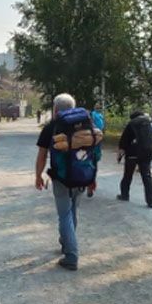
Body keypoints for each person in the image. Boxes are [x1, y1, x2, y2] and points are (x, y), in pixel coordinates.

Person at [35, 93, 98, 270]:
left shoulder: (51, 127)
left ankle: (71, 255)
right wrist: (93, 178)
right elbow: (94, 153)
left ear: (55, 109)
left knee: (64, 214)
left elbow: (42, 155)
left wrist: (38, 175)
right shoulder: (86, 124)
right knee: (73, 212)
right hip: (82, 176)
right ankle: (66, 243)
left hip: (61, 178)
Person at [116, 111, 152, 207]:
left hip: (132, 153)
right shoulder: (148, 124)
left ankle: (124, 195)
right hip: (147, 153)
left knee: (128, 175)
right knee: (147, 176)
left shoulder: (132, 123)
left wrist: (120, 153)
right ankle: (151, 201)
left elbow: (124, 140)